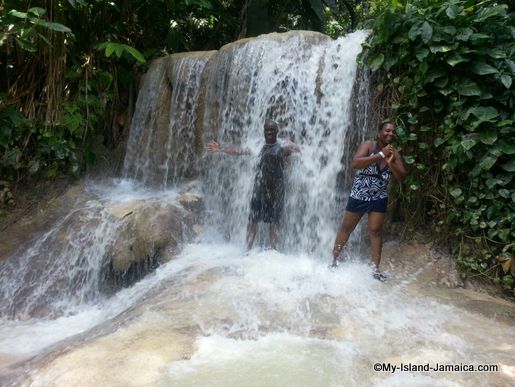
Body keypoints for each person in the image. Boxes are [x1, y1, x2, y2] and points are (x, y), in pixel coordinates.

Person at [206, 119, 301, 250]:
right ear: (263, 131)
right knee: (253, 219)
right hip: (260, 187)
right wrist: (221, 149)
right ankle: (248, 249)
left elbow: (298, 150)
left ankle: (274, 250)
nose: (269, 132)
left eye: (272, 130)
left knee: (275, 221)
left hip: (277, 188)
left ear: (277, 131)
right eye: (267, 130)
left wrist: (300, 149)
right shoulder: (258, 146)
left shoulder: (284, 146)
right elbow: (239, 151)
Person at [330, 121, 407, 281]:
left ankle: (376, 270)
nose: (390, 134)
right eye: (387, 130)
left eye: (393, 132)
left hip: (379, 197)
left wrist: (390, 161)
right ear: (380, 132)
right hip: (360, 194)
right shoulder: (368, 145)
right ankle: (334, 261)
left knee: (376, 231)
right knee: (347, 227)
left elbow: (401, 177)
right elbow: (355, 163)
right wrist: (380, 155)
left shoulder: (395, 153)